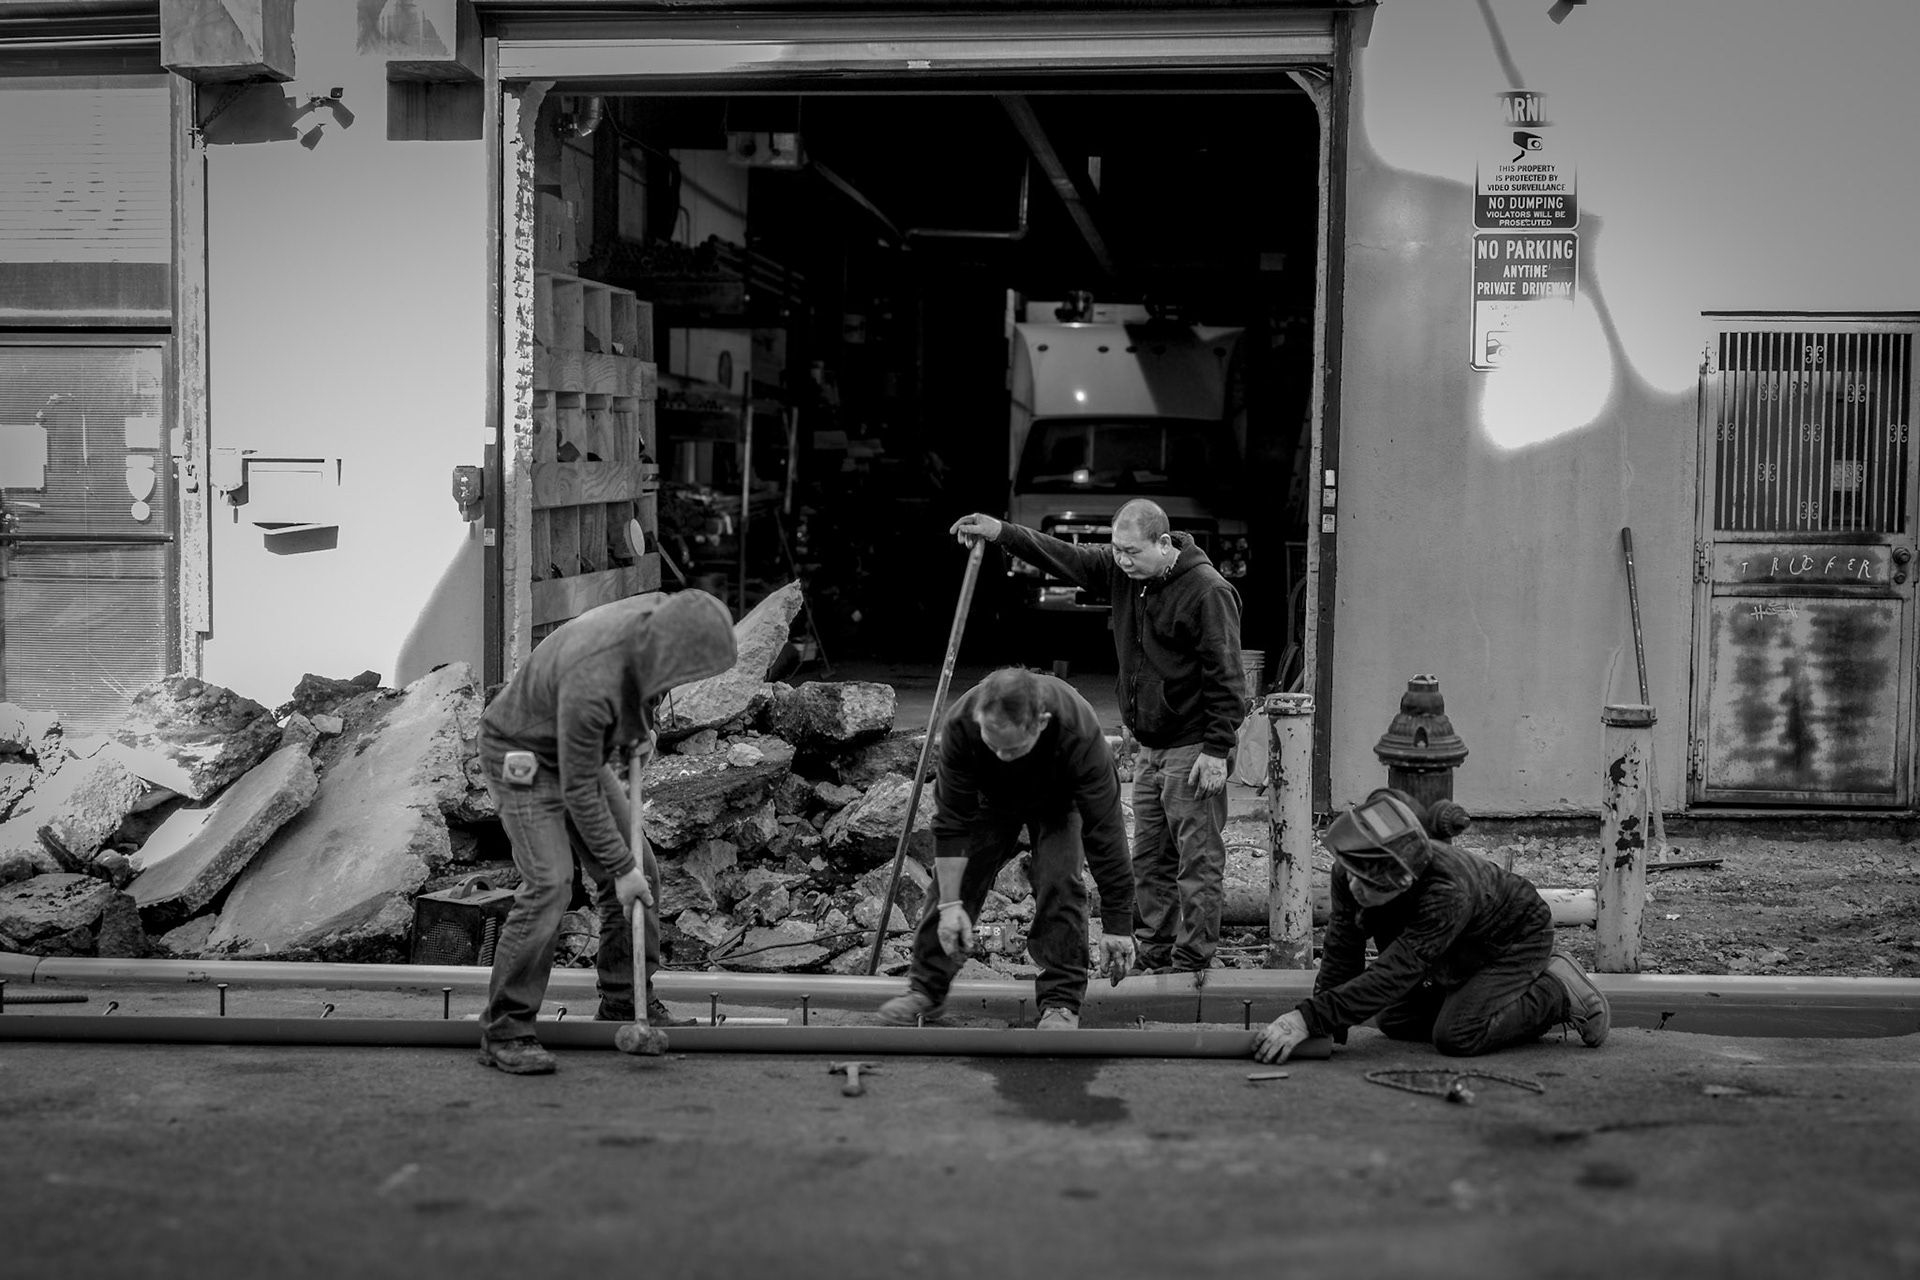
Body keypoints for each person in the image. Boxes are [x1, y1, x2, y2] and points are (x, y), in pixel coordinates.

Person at [950, 499, 1245, 973]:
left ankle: (1192, 963)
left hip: (1193, 745)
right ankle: (1154, 950)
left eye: (1131, 552)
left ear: (1164, 543)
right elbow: (1063, 555)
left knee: (1198, 859)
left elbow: (1228, 676)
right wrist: (1002, 531)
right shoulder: (1126, 574)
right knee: (1149, 855)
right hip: (1150, 745)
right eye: (1116, 550)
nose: (1121, 560)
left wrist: (1217, 748)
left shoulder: (1207, 591)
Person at [476, 589, 738, 1075]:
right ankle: (506, 1029)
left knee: (647, 874)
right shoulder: (592, 675)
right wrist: (619, 871)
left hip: (574, 748)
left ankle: (625, 1000)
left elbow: (643, 684)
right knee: (550, 884)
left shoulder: (655, 619)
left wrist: (640, 729)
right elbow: (577, 787)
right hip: (522, 755)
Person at [1252, 787, 1611, 1065]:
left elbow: (1400, 970)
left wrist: (1306, 1019)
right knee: (1393, 1019)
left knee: (1457, 1035)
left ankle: (1557, 992)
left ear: (1402, 883)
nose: (1355, 888)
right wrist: (1323, 1028)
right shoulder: (1354, 865)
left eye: (1370, 885)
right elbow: (1342, 948)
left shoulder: (1447, 890)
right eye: (1354, 876)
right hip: (1457, 938)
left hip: (1514, 938)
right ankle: (1479, 1000)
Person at [876, 667, 1136, 1029]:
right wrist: (952, 905)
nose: (1000, 755)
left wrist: (1118, 925)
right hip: (990, 799)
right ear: (980, 718)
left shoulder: (1080, 734)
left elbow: (1105, 833)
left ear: (1041, 723)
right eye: (992, 743)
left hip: (1059, 802)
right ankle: (926, 989)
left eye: (1011, 748)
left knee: (1060, 881)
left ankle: (1061, 1002)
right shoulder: (961, 727)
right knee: (956, 882)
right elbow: (951, 826)